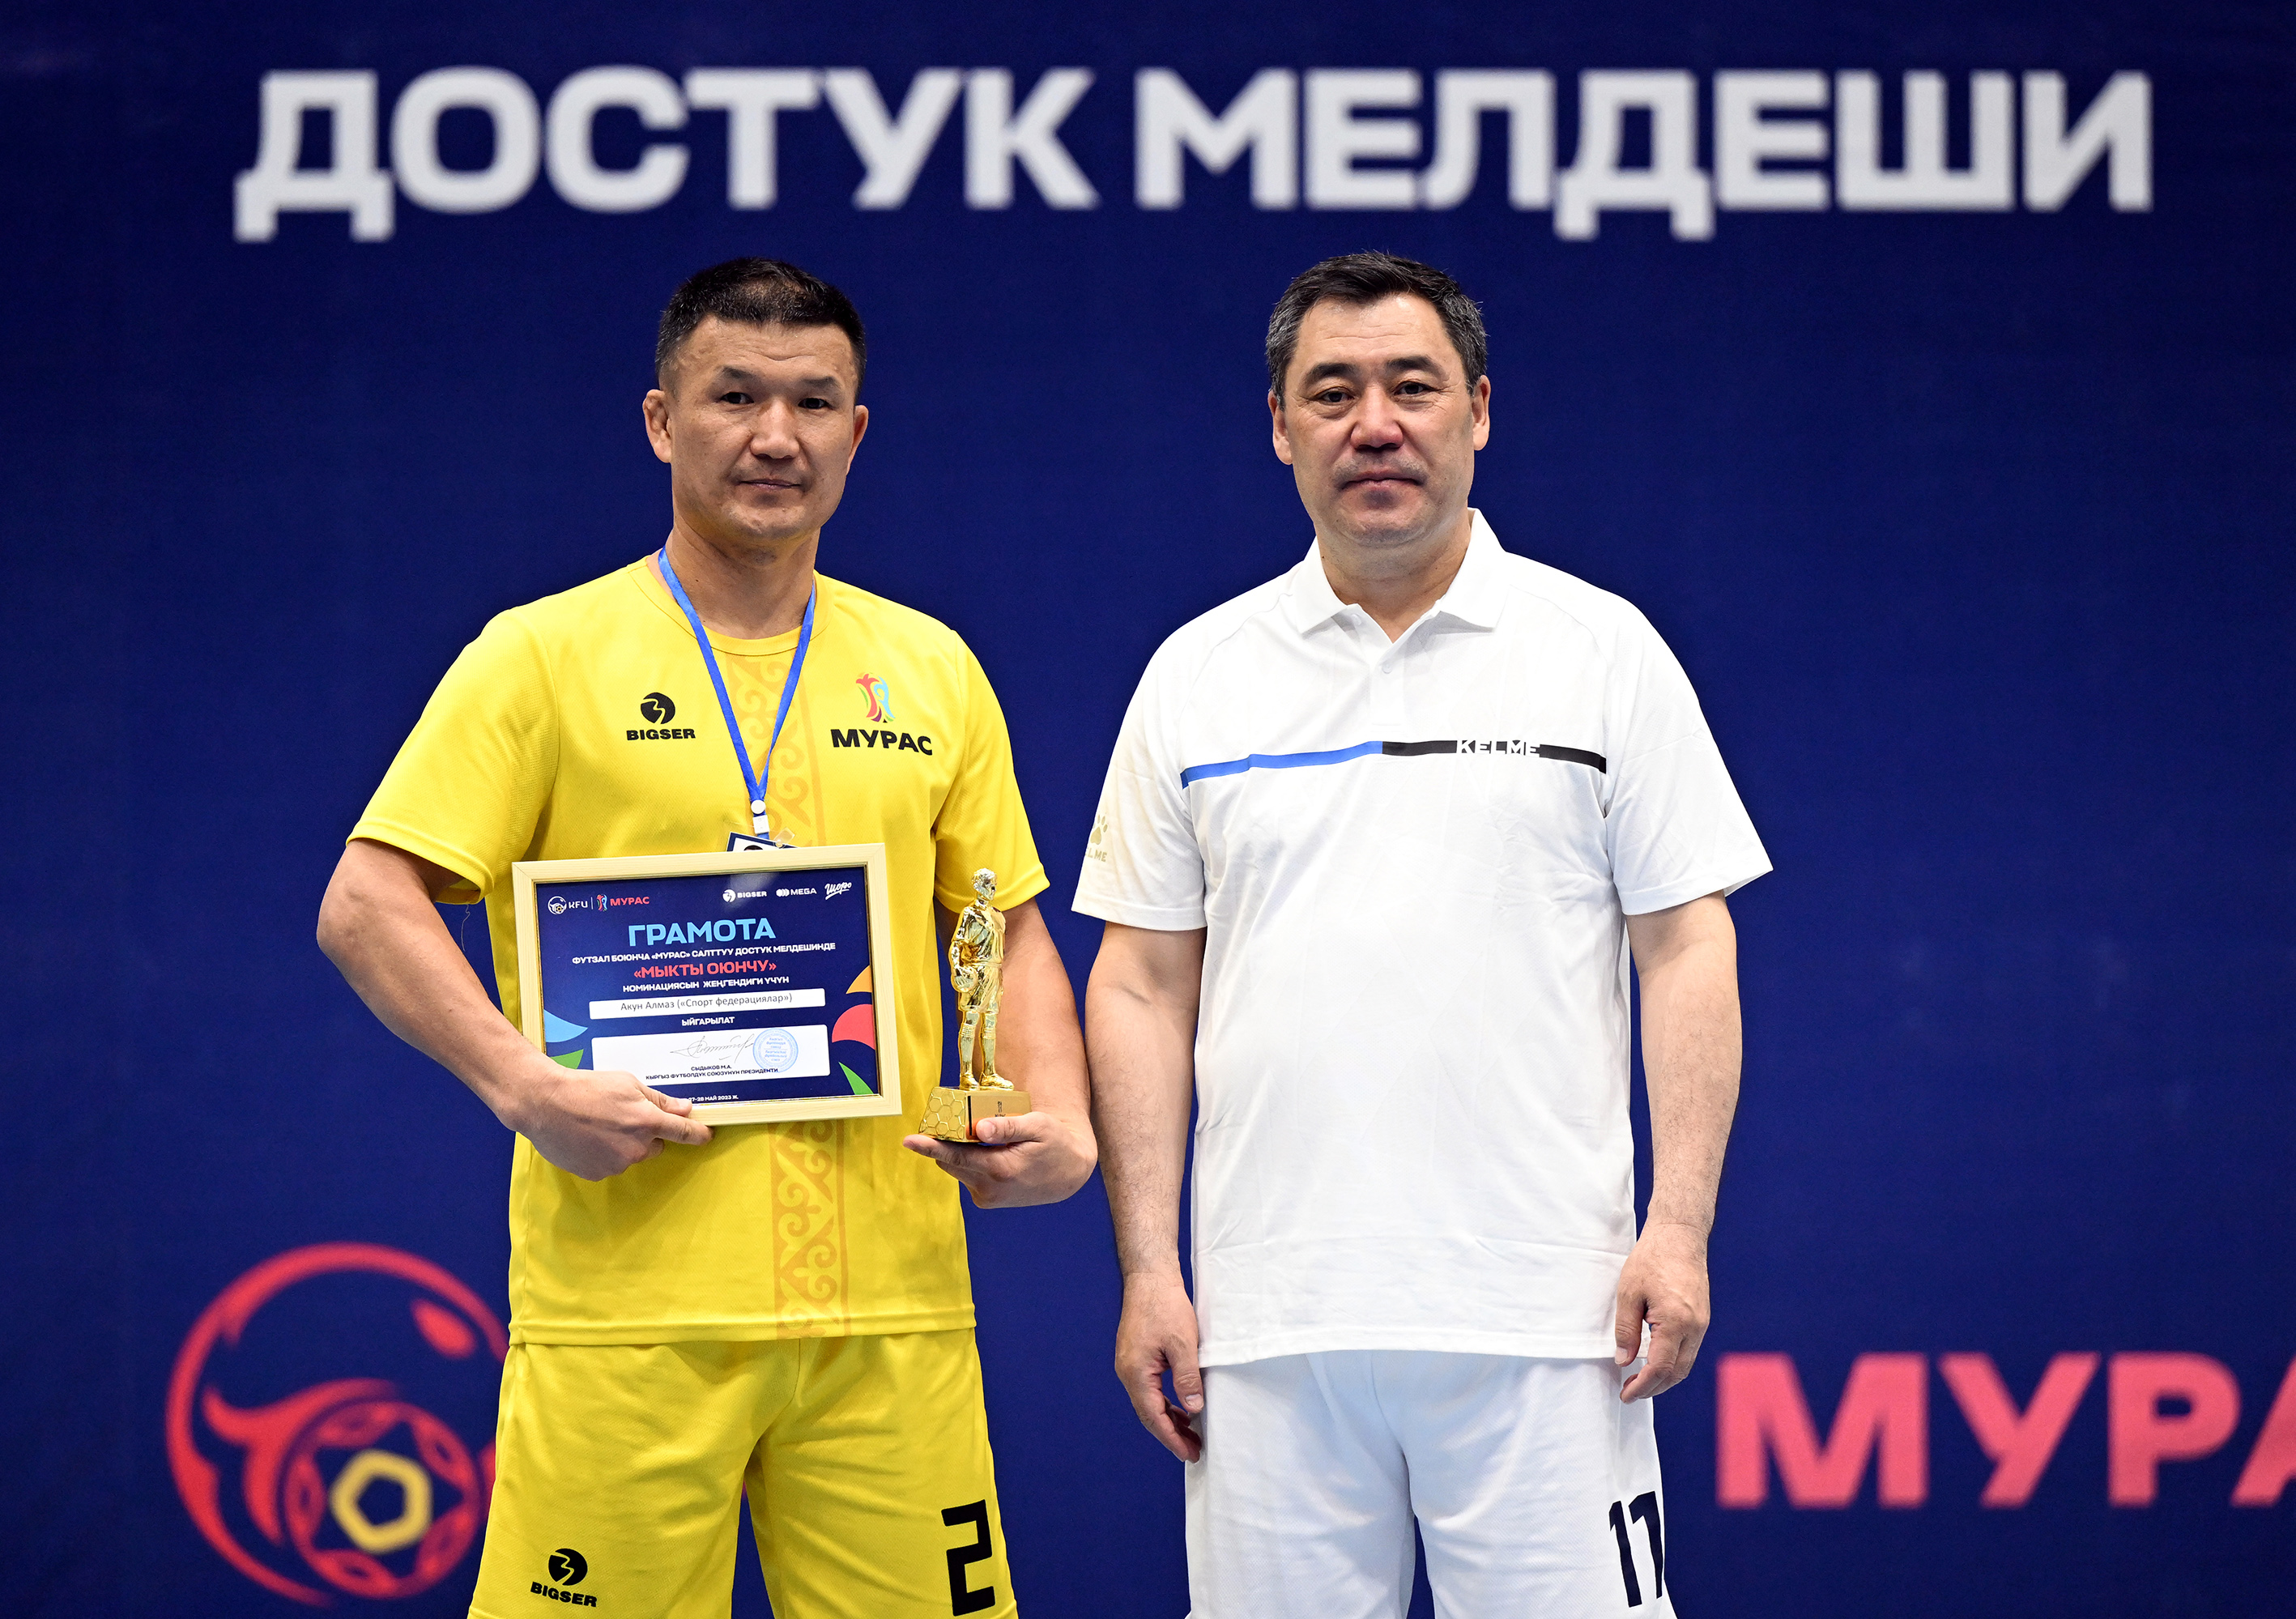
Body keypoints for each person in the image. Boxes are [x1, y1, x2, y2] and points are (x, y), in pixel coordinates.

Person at [317, 258, 1093, 1619]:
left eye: (814, 402)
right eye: (734, 396)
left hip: (890, 1315)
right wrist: (524, 1086)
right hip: (627, 1313)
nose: (775, 435)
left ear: (858, 430)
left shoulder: (931, 667)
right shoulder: (542, 656)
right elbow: (367, 903)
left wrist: (1060, 1120)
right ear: (661, 420)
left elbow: (1005, 926)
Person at [1075, 251, 1769, 1617]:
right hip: (1268, 1334)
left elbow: (1688, 948)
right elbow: (1141, 986)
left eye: (1413, 386)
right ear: (1281, 427)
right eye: (1332, 393)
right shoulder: (1196, 675)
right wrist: (1151, 1271)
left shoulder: (1602, 649)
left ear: (1480, 410)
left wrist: (1679, 1230)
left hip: (1554, 1323)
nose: (1375, 424)